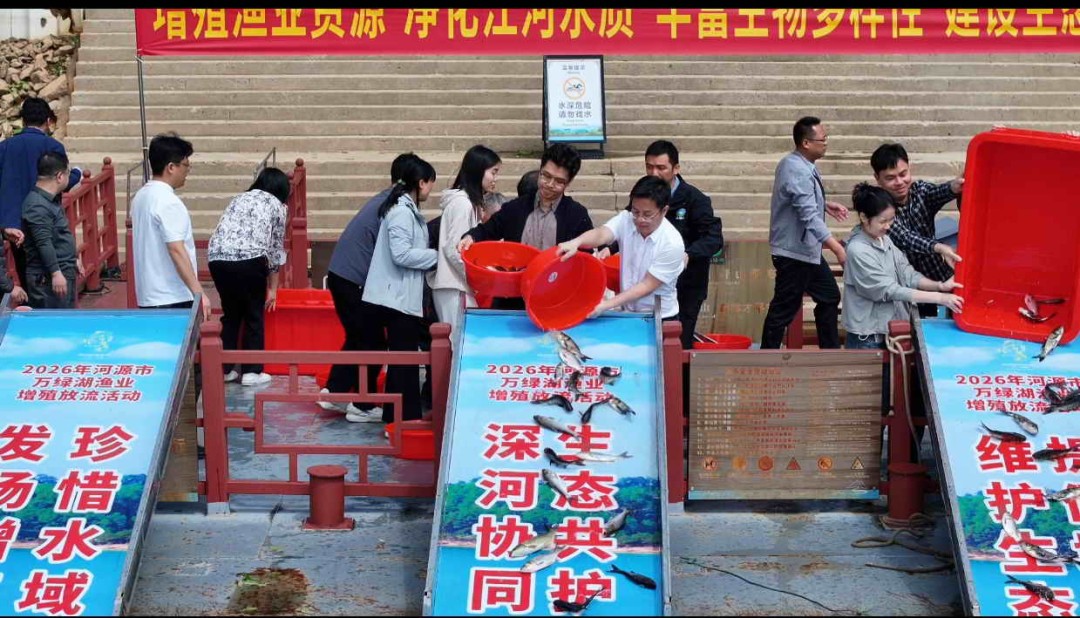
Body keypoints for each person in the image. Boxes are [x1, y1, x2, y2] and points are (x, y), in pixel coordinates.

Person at [843, 183, 963, 415]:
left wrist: (940, 286)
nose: (888, 226)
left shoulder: (884, 239)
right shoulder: (858, 250)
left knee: (882, 402)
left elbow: (907, 274)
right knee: (866, 407)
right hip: (868, 335)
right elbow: (889, 290)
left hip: (888, 329)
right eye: (883, 221)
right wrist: (939, 298)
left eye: (891, 220)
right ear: (864, 218)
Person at [321, 153, 416, 418]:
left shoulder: (386, 199)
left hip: (342, 275)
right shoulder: (396, 207)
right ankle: (362, 404)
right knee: (372, 340)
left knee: (359, 336)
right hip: (353, 279)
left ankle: (335, 391)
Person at [458, 144, 593, 309]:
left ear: (569, 182)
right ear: (540, 170)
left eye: (559, 181)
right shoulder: (516, 207)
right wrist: (470, 237)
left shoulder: (576, 215)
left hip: (555, 299)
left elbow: (586, 257)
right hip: (512, 297)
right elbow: (488, 230)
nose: (550, 184)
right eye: (546, 176)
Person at [361, 156, 439, 424]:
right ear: (421, 183)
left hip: (399, 296)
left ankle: (396, 418)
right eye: (430, 183)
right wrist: (438, 256)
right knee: (404, 360)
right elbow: (402, 254)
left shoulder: (404, 209)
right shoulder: (402, 212)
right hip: (396, 299)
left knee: (401, 360)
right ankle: (404, 419)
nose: (431, 189)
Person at [760, 116, 849, 349]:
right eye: (822, 139)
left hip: (805, 251)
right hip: (793, 252)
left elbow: (803, 200)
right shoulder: (795, 168)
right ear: (806, 143)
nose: (826, 143)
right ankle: (767, 357)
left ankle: (829, 352)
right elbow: (808, 214)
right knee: (784, 308)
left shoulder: (802, 164)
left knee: (829, 296)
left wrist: (825, 205)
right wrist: (837, 248)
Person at [556, 175, 685, 320]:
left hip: (659, 317)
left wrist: (606, 305)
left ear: (664, 210)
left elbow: (646, 285)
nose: (640, 219)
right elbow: (601, 234)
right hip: (628, 312)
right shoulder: (626, 219)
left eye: (647, 214)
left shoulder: (672, 243)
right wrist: (576, 242)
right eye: (636, 211)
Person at [206, 167, 290, 386]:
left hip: (217, 258)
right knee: (253, 315)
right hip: (250, 259)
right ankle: (252, 371)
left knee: (231, 314)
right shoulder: (278, 206)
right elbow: (275, 249)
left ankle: (225, 369)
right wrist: (273, 288)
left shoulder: (239, 198)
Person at [642, 140, 722, 348]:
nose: (654, 174)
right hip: (651, 283)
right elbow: (629, 223)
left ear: (676, 168)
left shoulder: (696, 199)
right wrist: (610, 248)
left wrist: (689, 254)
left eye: (661, 168)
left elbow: (713, 238)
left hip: (686, 286)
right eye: (649, 167)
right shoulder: (643, 195)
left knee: (678, 344)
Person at [870, 143, 964, 318]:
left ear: (909, 168)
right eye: (890, 178)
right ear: (877, 178)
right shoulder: (879, 208)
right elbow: (905, 238)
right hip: (909, 289)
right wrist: (939, 247)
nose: (899, 182)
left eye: (903, 174)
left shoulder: (920, 191)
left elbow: (941, 191)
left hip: (942, 277)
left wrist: (954, 186)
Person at [0, 97, 82, 288]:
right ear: (47, 120)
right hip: (46, 219)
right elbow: (62, 183)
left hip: (15, 226)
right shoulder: (53, 146)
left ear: (23, 120)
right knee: (53, 270)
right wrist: (77, 174)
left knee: (26, 273)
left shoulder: (5, 147)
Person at [130, 132, 210, 320]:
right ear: (171, 167)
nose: (187, 171)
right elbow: (176, 249)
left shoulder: (141, 196)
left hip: (149, 294)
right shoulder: (168, 202)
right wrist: (199, 293)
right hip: (172, 296)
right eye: (186, 165)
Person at [429, 145, 501, 335]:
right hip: (454, 286)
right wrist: (479, 277)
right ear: (479, 170)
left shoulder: (468, 203)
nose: (495, 178)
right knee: (458, 341)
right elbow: (454, 249)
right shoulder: (463, 204)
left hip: (457, 285)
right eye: (493, 172)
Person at [21, 151, 82, 308]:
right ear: (60, 176)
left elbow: (59, 235)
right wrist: (56, 272)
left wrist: (73, 258)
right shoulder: (37, 205)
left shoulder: (50, 200)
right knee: (56, 320)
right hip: (48, 278)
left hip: (63, 269)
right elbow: (43, 242)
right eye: (68, 173)